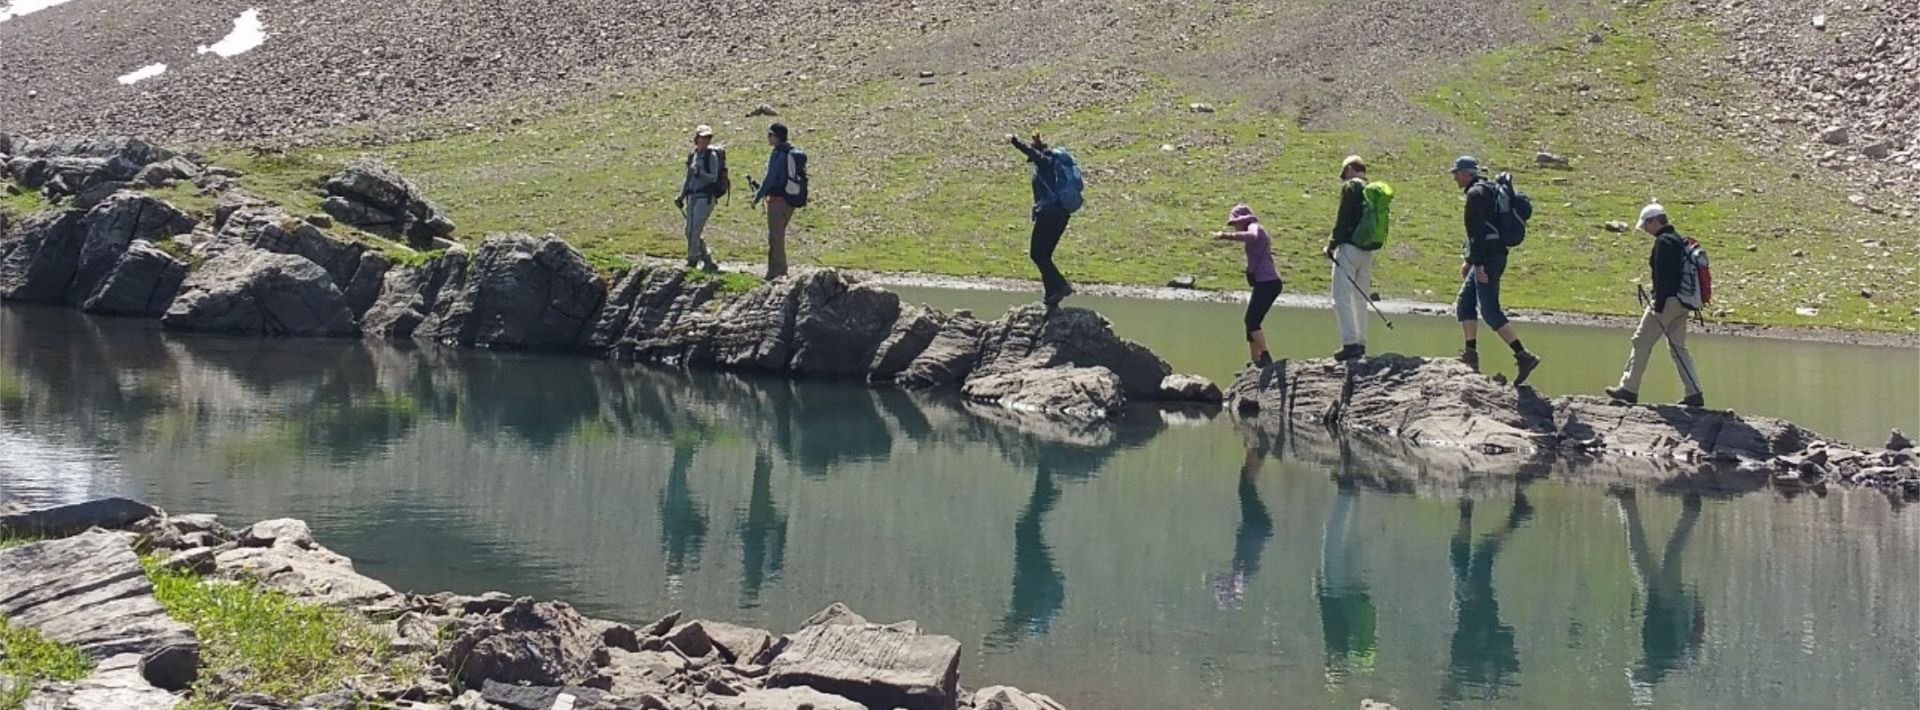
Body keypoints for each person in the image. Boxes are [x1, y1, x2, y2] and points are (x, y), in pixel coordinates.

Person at [1449, 156, 1542, 384]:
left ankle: (1524, 355)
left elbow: (1478, 233)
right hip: (1491, 255)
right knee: (1465, 302)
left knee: (1490, 310)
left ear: (1467, 173)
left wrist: (1477, 264)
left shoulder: (1474, 195)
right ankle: (1470, 355)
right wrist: (1471, 261)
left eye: (1457, 173)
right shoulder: (1489, 189)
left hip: (1488, 258)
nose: (1454, 177)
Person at [1606, 204, 1706, 407]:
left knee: (1641, 341)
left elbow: (1663, 278)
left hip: (1667, 302)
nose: (1644, 229)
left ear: (1655, 221)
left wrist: (1657, 307)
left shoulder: (1663, 242)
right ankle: (1694, 392)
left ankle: (1629, 389)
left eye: (1645, 224)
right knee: (1678, 347)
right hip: (1684, 302)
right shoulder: (1678, 239)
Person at [1211, 204, 1283, 368]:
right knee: (1250, 321)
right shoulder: (1253, 227)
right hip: (1264, 282)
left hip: (1268, 282)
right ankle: (1255, 361)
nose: (1235, 226)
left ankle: (1265, 356)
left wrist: (1224, 236)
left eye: (1235, 223)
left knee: (1251, 320)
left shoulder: (1254, 226)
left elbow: (1251, 236)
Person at [1009, 133, 1075, 308]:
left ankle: (1060, 286)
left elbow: (1035, 155)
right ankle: (1051, 295)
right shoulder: (1053, 163)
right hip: (1061, 215)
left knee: (1036, 254)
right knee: (1044, 255)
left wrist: (1016, 143)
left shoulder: (1045, 162)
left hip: (1049, 214)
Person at [1324, 155, 1377, 361]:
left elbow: (1343, 217)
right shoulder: (1372, 190)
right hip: (1367, 251)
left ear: (1349, 169)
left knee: (1341, 296)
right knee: (1360, 297)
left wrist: (1331, 244)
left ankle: (1349, 343)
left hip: (1349, 249)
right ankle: (1361, 342)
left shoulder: (1351, 187)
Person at [750, 123, 806, 279]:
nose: (768, 138)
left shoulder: (777, 154)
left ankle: (779, 272)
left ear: (776, 137)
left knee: (776, 238)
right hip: (790, 200)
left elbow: (770, 179)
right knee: (776, 237)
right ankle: (772, 271)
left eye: (770, 135)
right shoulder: (790, 152)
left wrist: (757, 197)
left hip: (777, 202)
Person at [673, 124, 723, 273]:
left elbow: (713, 178)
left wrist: (700, 172)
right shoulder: (693, 154)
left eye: (708, 137)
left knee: (694, 230)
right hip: (692, 197)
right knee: (689, 230)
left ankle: (693, 259)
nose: (706, 140)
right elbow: (688, 178)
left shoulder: (711, 156)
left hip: (705, 198)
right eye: (703, 137)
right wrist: (681, 196)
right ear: (697, 138)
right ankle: (707, 259)